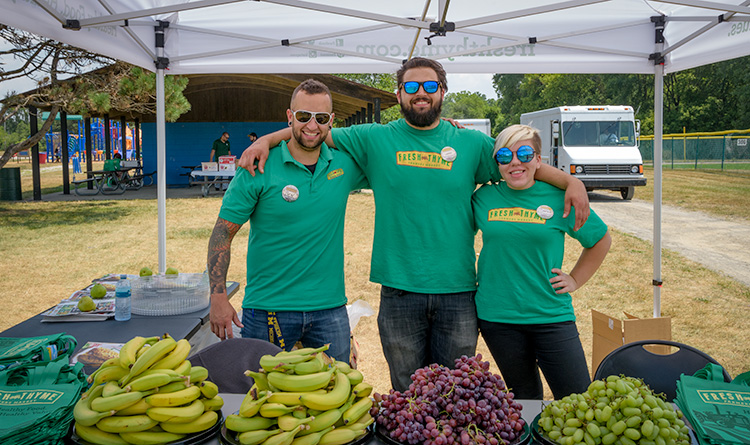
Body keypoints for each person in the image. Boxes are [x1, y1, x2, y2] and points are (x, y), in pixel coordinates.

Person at [238, 58, 590, 392]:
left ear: (442, 92)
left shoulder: (470, 143)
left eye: (430, 85)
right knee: (408, 393)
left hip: (458, 293)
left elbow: (518, 161)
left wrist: (571, 182)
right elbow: (312, 127)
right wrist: (266, 140)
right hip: (399, 291)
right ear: (399, 95)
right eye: (411, 86)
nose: (420, 92)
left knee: (455, 391)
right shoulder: (373, 138)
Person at [206, 79, 367, 363]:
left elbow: (395, 152)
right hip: (268, 309)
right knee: (261, 398)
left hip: (329, 310)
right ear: (290, 116)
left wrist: (439, 130)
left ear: (331, 121)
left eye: (321, 118)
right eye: (303, 116)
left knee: (338, 397)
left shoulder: (345, 164)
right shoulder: (257, 166)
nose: (312, 126)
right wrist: (217, 296)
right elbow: (222, 234)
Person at [472, 124, 611, 399]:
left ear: (538, 159)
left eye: (524, 154)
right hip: (498, 318)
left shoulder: (561, 198)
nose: (515, 162)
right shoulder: (483, 198)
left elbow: (600, 240)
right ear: (497, 162)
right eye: (504, 156)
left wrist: (574, 279)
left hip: (551, 315)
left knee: (577, 399)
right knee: (524, 401)